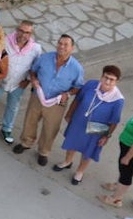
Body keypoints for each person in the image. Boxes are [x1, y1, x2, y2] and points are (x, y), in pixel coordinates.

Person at [12, 35, 85, 166]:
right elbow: (33, 71)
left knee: (51, 128)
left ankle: (43, 152)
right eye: (60, 43)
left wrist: (67, 94)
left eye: (65, 45)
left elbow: (78, 87)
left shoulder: (76, 68)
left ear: (72, 48)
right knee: (30, 120)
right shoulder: (45, 58)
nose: (61, 46)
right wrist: (33, 79)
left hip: (57, 102)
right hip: (38, 96)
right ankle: (26, 142)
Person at [52, 66, 123, 185]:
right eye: (106, 77)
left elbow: (114, 121)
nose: (108, 81)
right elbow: (78, 100)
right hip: (79, 120)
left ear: (116, 82)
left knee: (88, 150)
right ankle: (67, 161)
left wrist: (106, 136)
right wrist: (69, 113)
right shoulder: (91, 85)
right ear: (102, 76)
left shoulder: (118, 100)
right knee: (72, 142)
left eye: (112, 79)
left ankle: (80, 172)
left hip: (98, 127)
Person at [0, 21, 42, 143]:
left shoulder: (36, 49)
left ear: (31, 34)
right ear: (17, 29)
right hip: (1, 79)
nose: (23, 34)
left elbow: (36, 67)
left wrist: (28, 80)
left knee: (13, 106)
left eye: (27, 32)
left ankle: (6, 128)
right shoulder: (5, 41)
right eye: (21, 30)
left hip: (19, 83)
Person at [97, 110, 133, 210]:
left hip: (132, 151)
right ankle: (118, 185)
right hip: (127, 145)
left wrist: (128, 157)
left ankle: (116, 199)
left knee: (126, 173)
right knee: (124, 170)